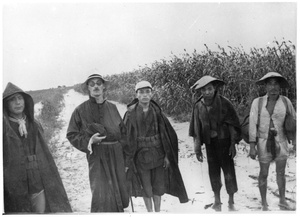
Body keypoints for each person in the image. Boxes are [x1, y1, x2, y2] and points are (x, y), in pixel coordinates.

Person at [2, 82, 72, 213]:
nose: (17, 103)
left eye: (20, 98)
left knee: (42, 211)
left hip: (38, 178)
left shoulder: (34, 124)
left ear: (25, 100)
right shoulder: (4, 129)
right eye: (12, 99)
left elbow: (43, 152)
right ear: (5, 104)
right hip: (15, 180)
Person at [66, 73, 129, 212]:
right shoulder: (80, 110)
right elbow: (71, 134)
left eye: (98, 83)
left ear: (103, 87)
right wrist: (89, 141)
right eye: (92, 84)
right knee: (101, 193)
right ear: (88, 88)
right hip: (97, 155)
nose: (96, 86)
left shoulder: (112, 107)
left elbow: (123, 133)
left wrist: (125, 157)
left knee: (119, 190)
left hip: (116, 155)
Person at [123, 81, 188, 212]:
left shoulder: (158, 112)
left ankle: (157, 212)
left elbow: (168, 136)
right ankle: (149, 212)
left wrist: (167, 156)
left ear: (152, 94)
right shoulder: (130, 114)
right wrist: (128, 160)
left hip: (158, 156)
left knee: (158, 188)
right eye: (141, 92)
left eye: (147, 91)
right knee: (146, 188)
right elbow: (125, 137)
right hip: (140, 158)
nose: (145, 95)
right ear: (136, 95)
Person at [189, 75, 241, 212]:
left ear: (215, 88)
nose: (207, 92)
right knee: (213, 172)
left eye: (210, 89)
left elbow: (233, 124)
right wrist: (197, 149)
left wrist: (232, 143)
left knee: (229, 172)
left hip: (224, 143)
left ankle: (231, 201)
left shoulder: (225, 103)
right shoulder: (198, 106)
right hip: (209, 144)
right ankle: (217, 200)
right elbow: (196, 128)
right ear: (200, 91)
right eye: (204, 90)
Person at [249, 72, 296, 211]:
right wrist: (252, 146)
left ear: (280, 86)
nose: (273, 87)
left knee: (281, 172)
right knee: (264, 173)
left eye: (276, 83)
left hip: (281, 142)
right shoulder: (257, 103)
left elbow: (293, 123)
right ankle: (264, 203)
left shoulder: (286, 102)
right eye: (270, 83)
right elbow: (252, 124)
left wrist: (295, 142)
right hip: (263, 142)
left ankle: (282, 200)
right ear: (265, 86)